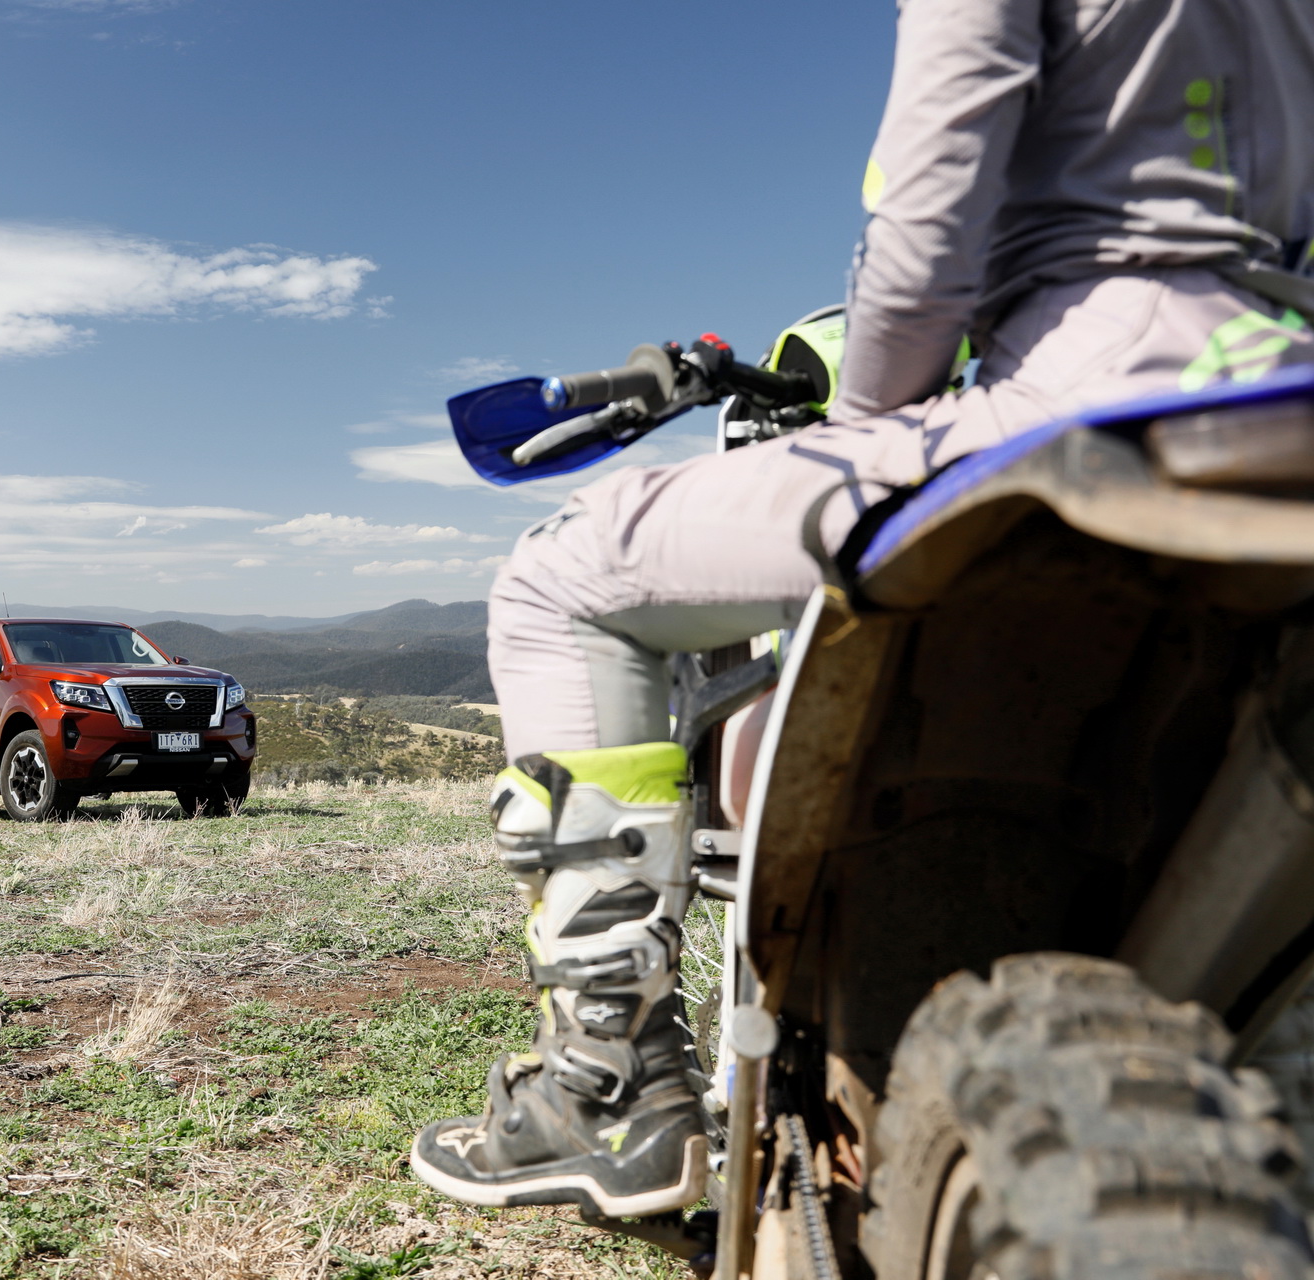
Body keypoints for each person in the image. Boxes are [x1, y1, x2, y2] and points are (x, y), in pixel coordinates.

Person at [411, 0, 1314, 1218]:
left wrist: (868, 418)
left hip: (1091, 388)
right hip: (1282, 387)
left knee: (559, 576)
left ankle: (607, 1086)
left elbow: (935, 204)